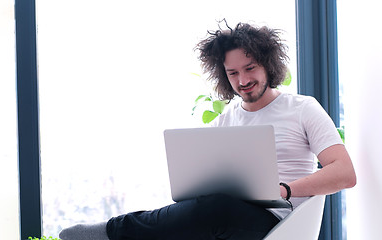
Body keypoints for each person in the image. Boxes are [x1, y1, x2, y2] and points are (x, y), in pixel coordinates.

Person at [59, 22, 357, 240]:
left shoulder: (302, 108)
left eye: (250, 68)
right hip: (227, 217)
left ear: (268, 64)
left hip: (280, 225)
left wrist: (285, 189)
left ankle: (112, 231)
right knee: (202, 208)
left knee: (213, 209)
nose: (242, 80)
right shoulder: (226, 119)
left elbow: (345, 173)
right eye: (233, 73)